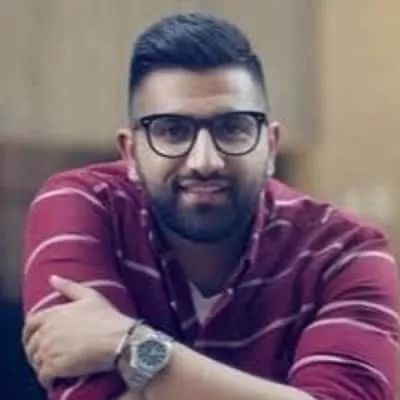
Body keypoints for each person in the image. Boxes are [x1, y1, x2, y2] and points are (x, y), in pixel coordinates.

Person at [22, 13, 399, 400]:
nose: (205, 161)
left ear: (270, 146)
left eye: (232, 128)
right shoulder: (83, 205)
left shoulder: (346, 252)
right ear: (131, 153)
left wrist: (133, 346)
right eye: (172, 131)